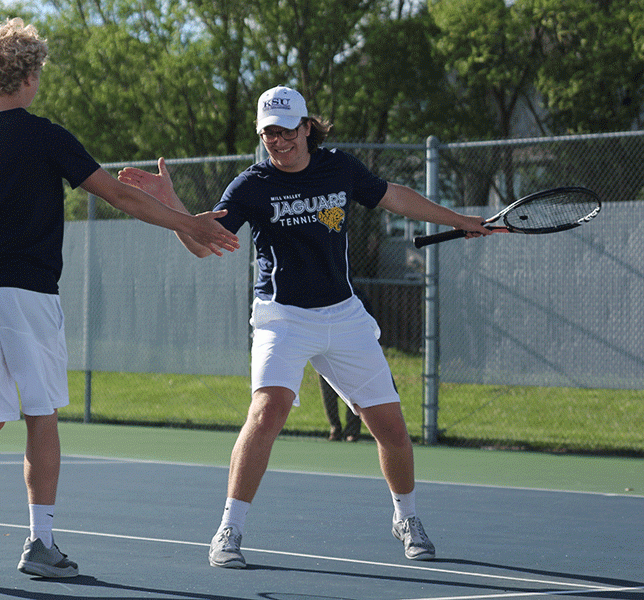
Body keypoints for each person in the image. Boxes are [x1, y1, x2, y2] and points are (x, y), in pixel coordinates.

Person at [0, 18, 238, 578]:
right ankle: (40, 544)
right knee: (41, 415)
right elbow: (120, 196)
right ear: (31, 77)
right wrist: (190, 224)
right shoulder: (48, 137)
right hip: (27, 296)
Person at [118, 85, 490, 568]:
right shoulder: (250, 186)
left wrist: (460, 219)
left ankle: (406, 518)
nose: (279, 140)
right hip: (282, 316)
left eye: (288, 130)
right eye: (269, 132)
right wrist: (174, 209)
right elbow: (204, 245)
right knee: (267, 412)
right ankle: (229, 529)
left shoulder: (340, 167)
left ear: (306, 127)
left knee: (392, 429)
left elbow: (394, 196)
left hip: (344, 314)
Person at [318, 373, 361, 442]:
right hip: (326, 365)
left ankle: (352, 431)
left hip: (349, 366)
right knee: (328, 396)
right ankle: (335, 429)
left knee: (352, 395)